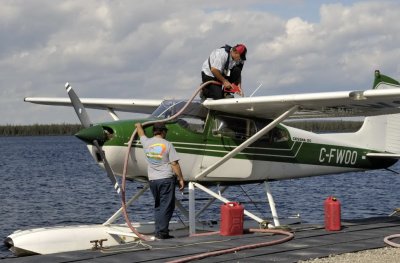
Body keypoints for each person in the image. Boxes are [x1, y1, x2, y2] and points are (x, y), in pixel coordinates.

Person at [135, 122, 185, 240]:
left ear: (154, 132)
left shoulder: (146, 142)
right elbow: (174, 163)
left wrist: (138, 126)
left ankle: (159, 231)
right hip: (166, 179)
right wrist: (181, 179)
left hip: (153, 180)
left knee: (158, 206)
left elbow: (141, 134)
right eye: (165, 131)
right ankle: (162, 233)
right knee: (167, 206)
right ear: (163, 132)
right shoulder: (167, 144)